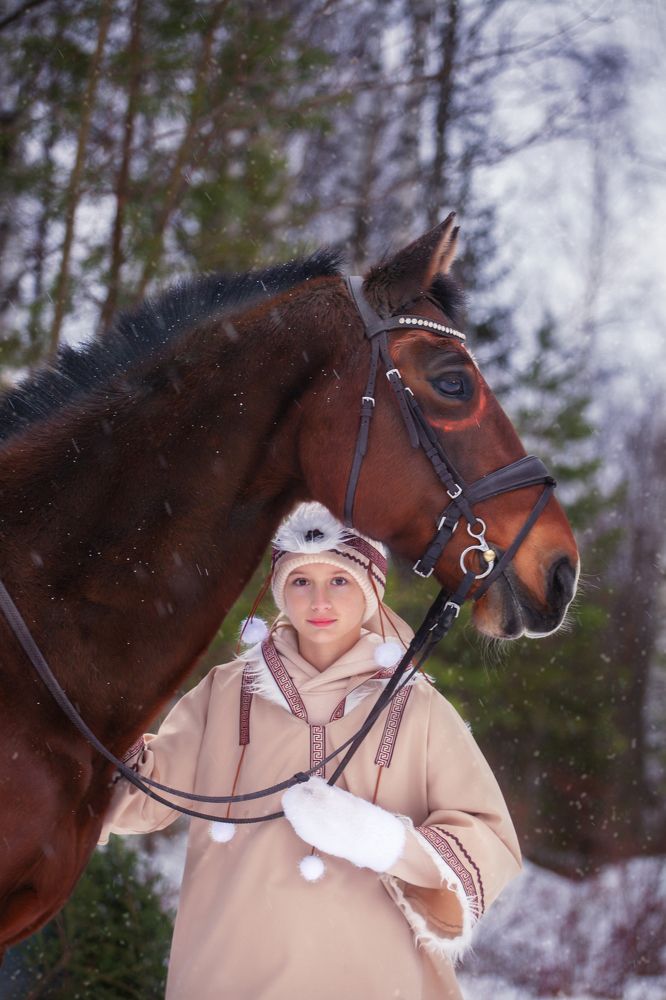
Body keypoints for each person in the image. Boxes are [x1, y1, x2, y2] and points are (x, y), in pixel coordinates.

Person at [100, 502, 522, 999]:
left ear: (369, 590)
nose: (319, 600)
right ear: (281, 590)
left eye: (339, 581)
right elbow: (140, 799)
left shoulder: (416, 703)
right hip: (232, 970)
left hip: (374, 975)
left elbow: (489, 839)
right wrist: (102, 709)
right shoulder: (226, 691)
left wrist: (382, 840)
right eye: (302, 581)